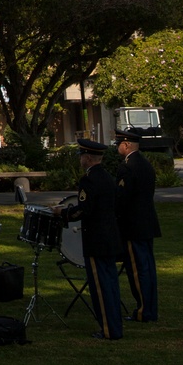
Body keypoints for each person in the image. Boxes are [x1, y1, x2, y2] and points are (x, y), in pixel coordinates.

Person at [59, 137, 123, 341]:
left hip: (96, 239)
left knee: (101, 287)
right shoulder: (107, 177)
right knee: (111, 284)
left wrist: (63, 214)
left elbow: (84, 210)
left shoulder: (89, 180)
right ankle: (115, 325)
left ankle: (108, 329)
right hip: (110, 237)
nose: (80, 159)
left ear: (87, 158)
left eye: (81, 156)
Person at [114, 127, 160, 322]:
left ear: (126, 145)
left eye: (118, 144)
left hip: (133, 226)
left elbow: (122, 198)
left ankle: (144, 311)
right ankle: (150, 308)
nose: (117, 148)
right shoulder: (145, 164)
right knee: (148, 268)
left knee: (137, 270)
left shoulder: (127, 167)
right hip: (147, 223)